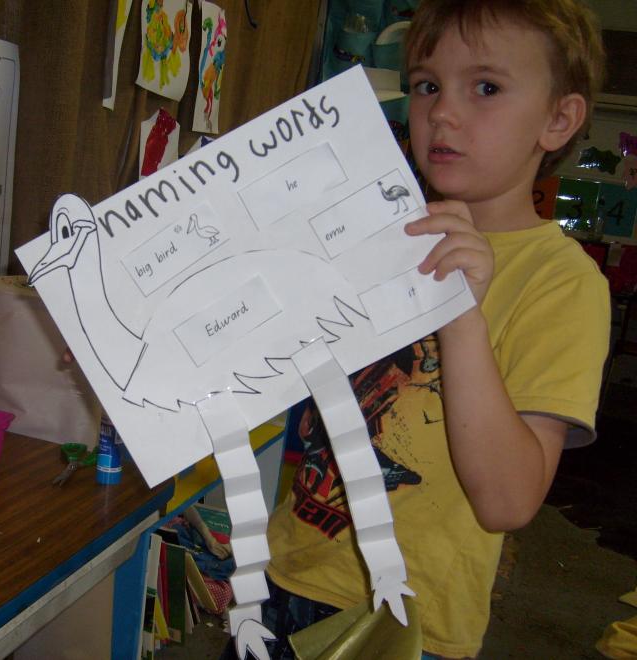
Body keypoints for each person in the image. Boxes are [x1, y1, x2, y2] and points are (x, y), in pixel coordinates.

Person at [264, 1, 610, 657]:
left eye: (485, 87)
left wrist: (460, 313)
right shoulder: (369, 237)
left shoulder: (562, 285)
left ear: (559, 119)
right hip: (287, 573)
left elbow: (507, 502)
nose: (442, 114)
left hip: (404, 627)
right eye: (427, 85)